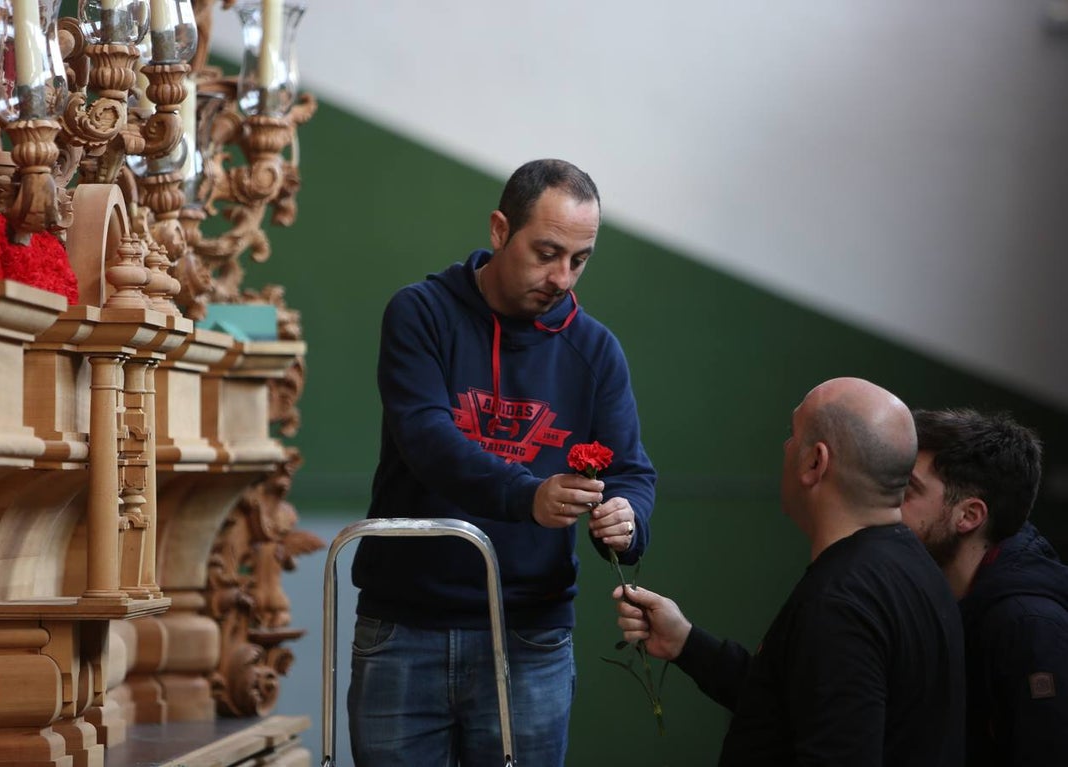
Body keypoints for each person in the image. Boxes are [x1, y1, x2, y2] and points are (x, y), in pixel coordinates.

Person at [349, 158, 657, 767]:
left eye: (580, 259)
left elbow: (632, 472)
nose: (562, 277)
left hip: (531, 634)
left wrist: (629, 518)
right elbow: (427, 438)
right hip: (404, 625)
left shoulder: (595, 349)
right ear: (498, 231)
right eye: (546, 252)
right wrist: (527, 496)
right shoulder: (421, 313)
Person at [615, 377, 965, 766]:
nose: (785, 447)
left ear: (816, 462)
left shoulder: (841, 603)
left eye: (792, 434)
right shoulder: (916, 570)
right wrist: (688, 644)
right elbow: (798, 703)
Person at [901, 408, 1068, 766]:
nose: (889, 503)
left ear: (968, 516)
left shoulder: (1030, 626)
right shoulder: (940, 597)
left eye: (909, 490)